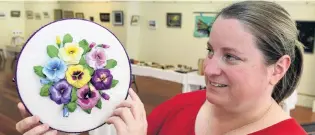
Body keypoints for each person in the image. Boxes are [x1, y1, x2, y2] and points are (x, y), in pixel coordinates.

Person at [16, 1, 308, 135]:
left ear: (278, 68)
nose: (208, 69)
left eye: (230, 56)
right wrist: (69, 128)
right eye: (210, 51)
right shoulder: (182, 106)